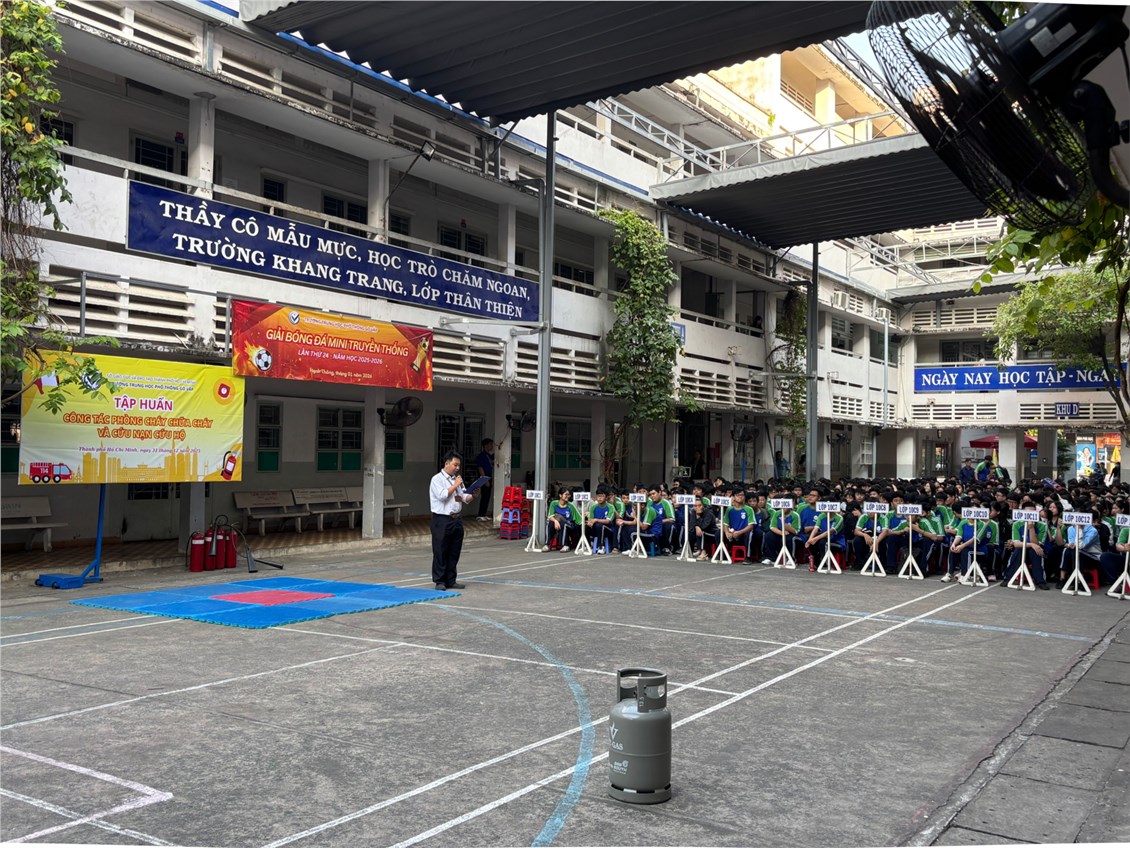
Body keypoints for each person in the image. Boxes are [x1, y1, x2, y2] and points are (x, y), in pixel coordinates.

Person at [429, 450, 474, 590]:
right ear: (447, 463)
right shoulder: (437, 479)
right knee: (440, 550)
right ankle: (440, 581)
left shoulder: (456, 479)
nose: (457, 468)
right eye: (455, 465)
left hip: (456, 518)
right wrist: (455, 484)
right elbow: (442, 496)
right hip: (442, 519)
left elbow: (463, 497)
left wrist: (473, 494)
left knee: (454, 550)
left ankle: (451, 579)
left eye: (459, 465)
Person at [474, 438, 494, 521]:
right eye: (490, 444)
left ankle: (484, 514)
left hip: (489, 476)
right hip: (484, 476)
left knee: (487, 496)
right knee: (484, 496)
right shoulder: (482, 456)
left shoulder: (488, 455)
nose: (491, 446)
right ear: (486, 445)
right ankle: (480, 514)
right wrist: (485, 480)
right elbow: (480, 468)